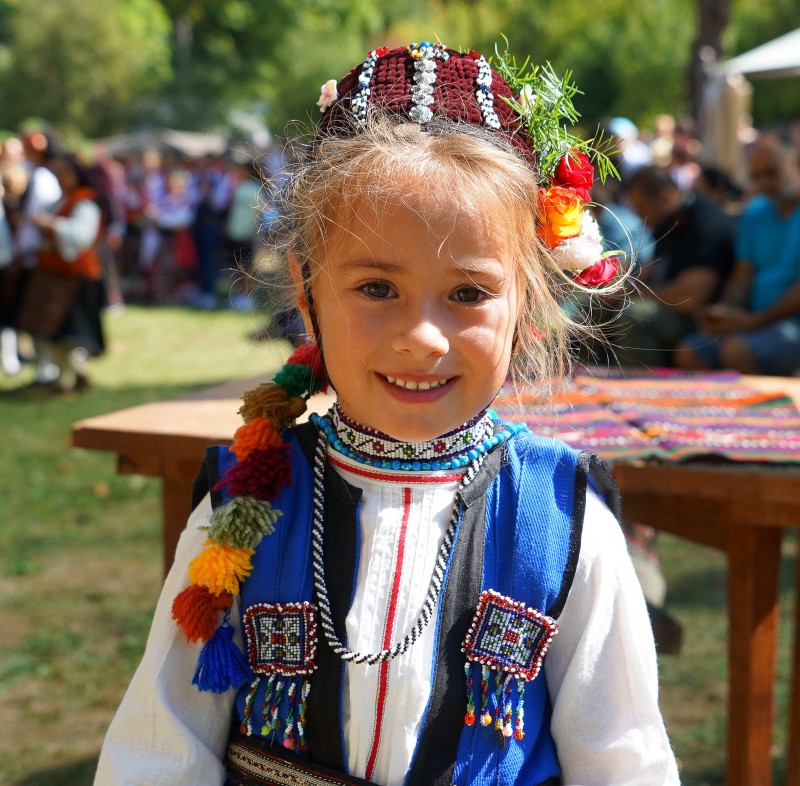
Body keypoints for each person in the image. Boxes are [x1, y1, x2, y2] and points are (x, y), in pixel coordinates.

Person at [94, 43, 679, 785]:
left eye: (468, 294)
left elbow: (623, 759)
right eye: (376, 288)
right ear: (307, 298)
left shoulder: (562, 521)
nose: (422, 335)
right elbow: (161, 744)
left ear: (526, 306)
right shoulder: (246, 503)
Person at [676, 134, 800, 375]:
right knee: (690, 351)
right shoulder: (756, 214)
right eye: (756, 176)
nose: (763, 182)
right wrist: (725, 312)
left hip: (789, 324)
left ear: (795, 163)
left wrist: (753, 321)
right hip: (757, 322)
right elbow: (742, 275)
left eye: (771, 172)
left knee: (736, 351)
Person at [609, 164, 736, 368]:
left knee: (634, 314)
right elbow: (649, 272)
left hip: (701, 324)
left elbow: (689, 299)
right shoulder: (666, 222)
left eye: (641, 208)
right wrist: (616, 288)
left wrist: (629, 292)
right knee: (597, 305)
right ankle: (591, 380)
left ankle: (639, 388)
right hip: (672, 312)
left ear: (666, 197)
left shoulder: (704, 222)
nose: (639, 217)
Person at [15, 152, 107, 392]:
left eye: (65, 173)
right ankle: (71, 376)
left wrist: (51, 224)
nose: (60, 178)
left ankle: (67, 379)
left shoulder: (84, 201)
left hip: (74, 276)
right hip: (56, 274)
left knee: (67, 333)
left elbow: (80, 237)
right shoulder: (63, 200)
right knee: (54, 330)